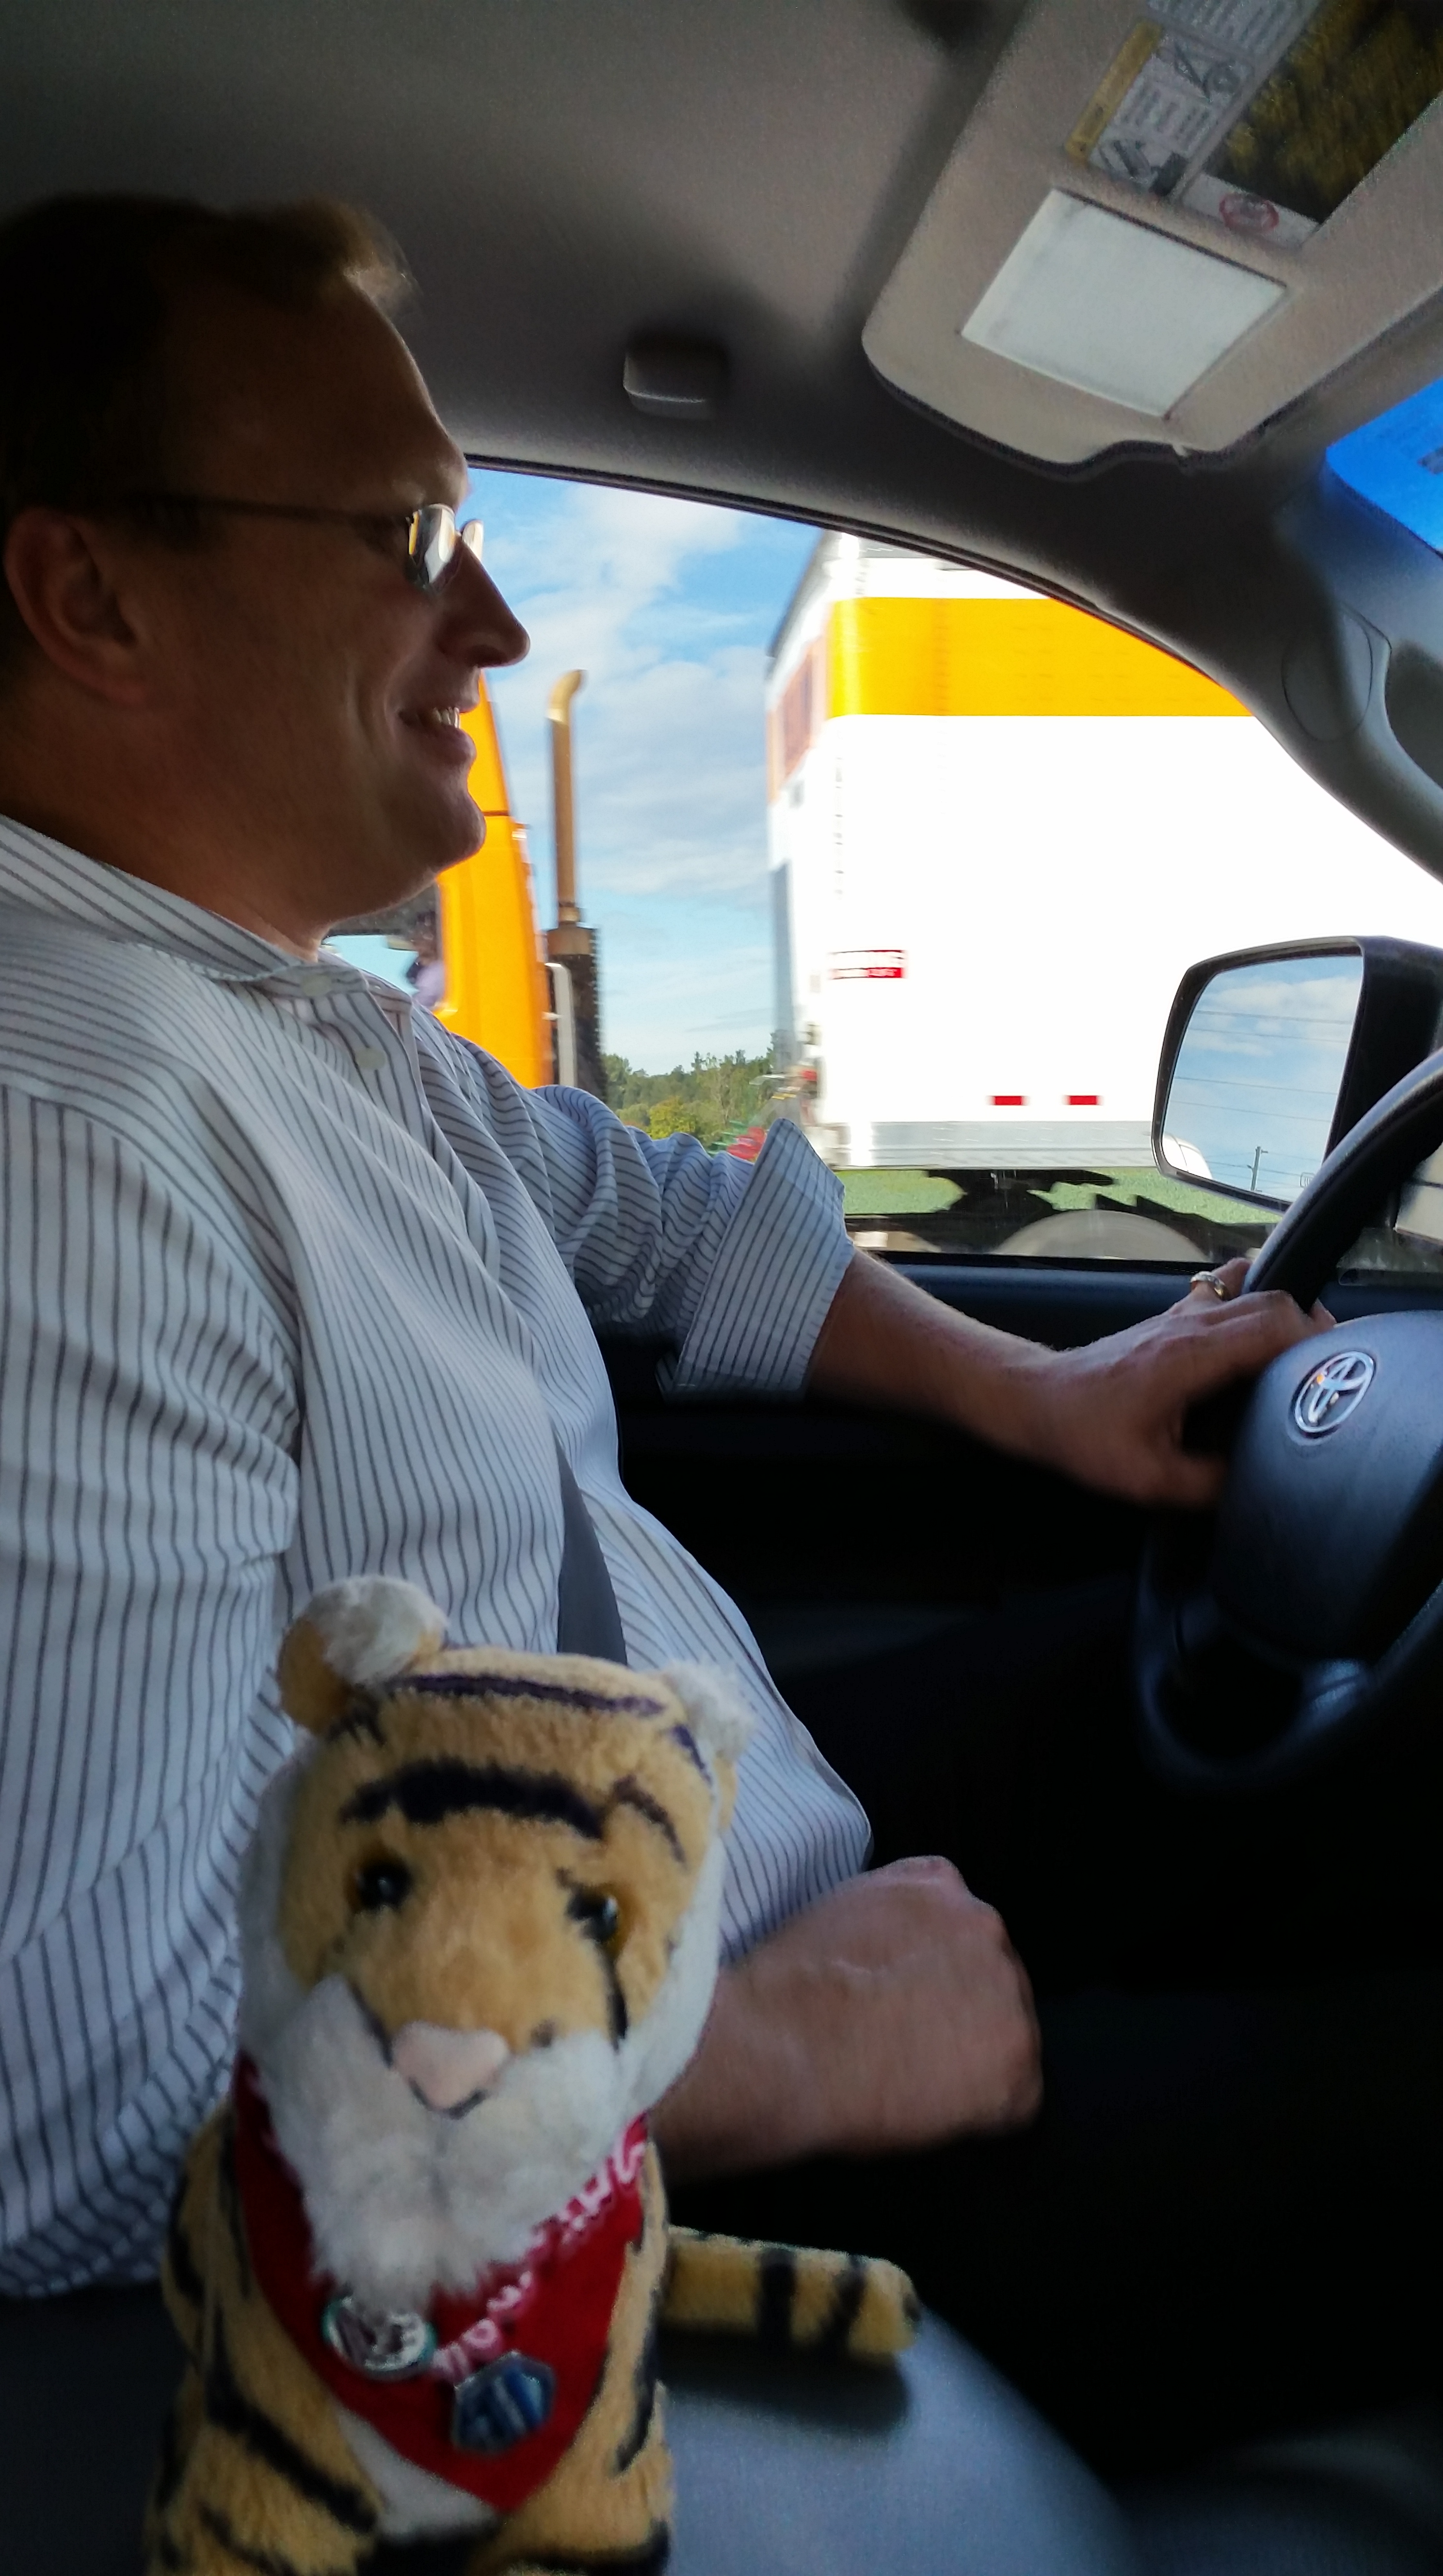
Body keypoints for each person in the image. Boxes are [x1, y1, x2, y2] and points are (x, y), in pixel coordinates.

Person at [0, 193, 1356, 2463]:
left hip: (687, 1838)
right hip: (622, 2150)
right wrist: (770, 2047)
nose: (495, 619)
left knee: (1252, 1693)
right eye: (407, 535)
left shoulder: (296, 1023)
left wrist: (1054, 1390)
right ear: (91, 597)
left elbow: (655, 1218)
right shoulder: (68, 1132)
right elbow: (75, 2093)